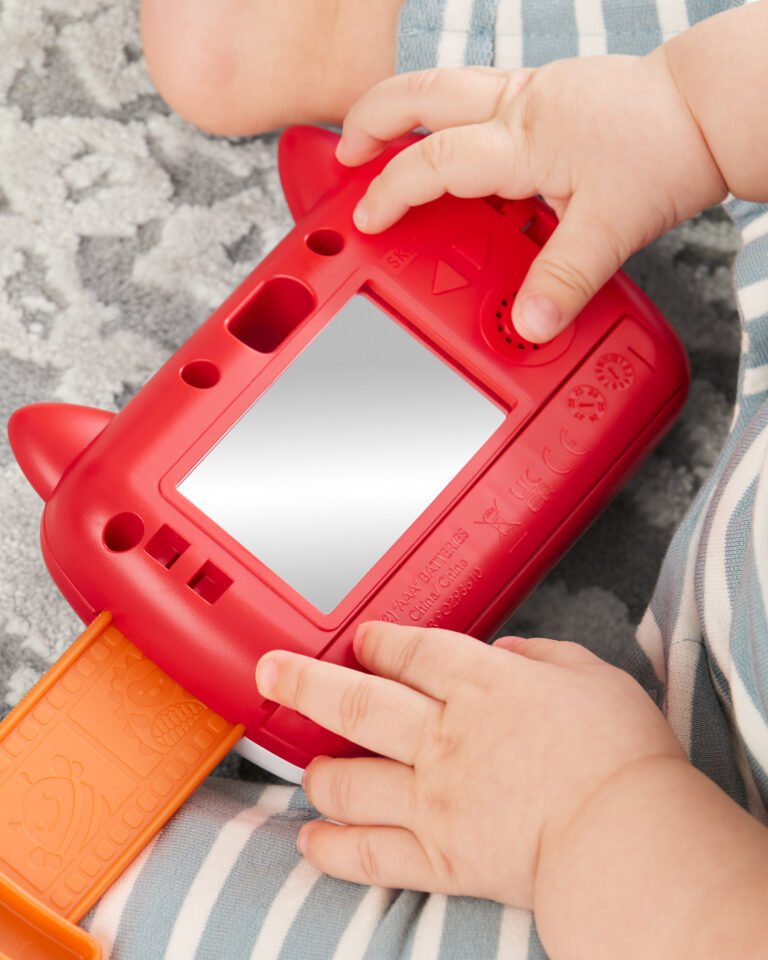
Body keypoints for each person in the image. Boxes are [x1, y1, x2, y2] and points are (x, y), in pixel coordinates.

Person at [84, 2, 768, 957]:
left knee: (103, 876)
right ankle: (358, 34)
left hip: (668, 868)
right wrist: (682, 110)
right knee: (659, 81)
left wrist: (588, 815)